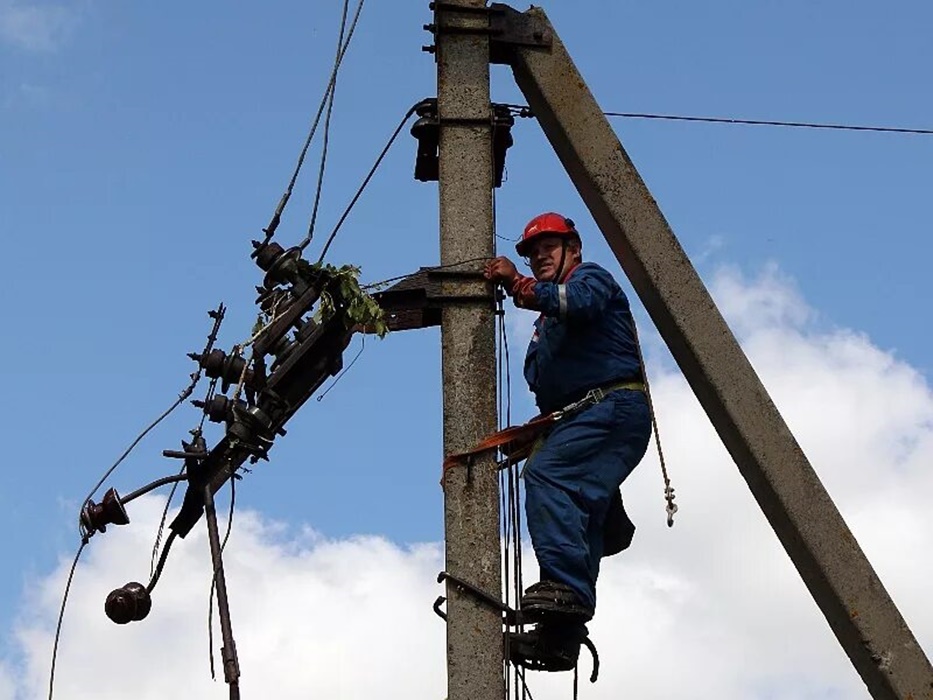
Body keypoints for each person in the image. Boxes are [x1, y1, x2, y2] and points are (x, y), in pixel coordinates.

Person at [484, 212, 652, 671]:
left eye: (549, 248)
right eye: (533, 253)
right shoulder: (547, 325)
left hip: (611, 408)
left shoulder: (589, 279)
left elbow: (575, 302)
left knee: (547, 475)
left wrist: (515, 283)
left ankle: (567, 589)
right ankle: (560, 637)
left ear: (573, 250)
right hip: (586, 417)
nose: (540, 257)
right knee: (581, 511)